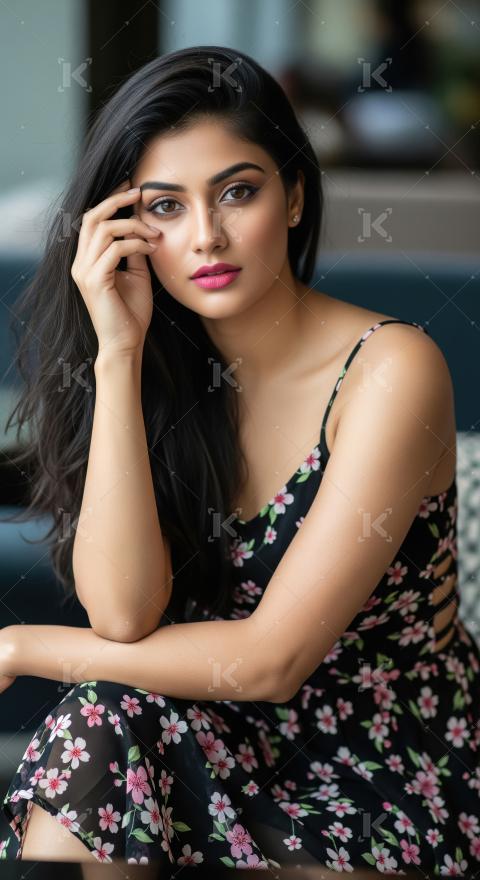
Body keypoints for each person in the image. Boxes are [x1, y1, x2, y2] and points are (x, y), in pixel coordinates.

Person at [0, 45, 476, 874]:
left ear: (293, 196)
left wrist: (17, 646)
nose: (207, 236)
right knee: (104, 724)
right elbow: (122, 616)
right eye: (165, 207)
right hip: (223, 728)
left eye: (238, 192)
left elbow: (272, 661)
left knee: (108, 720)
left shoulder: (392, 369)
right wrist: (117, 355)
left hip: (384, 755)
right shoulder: (155, 368)